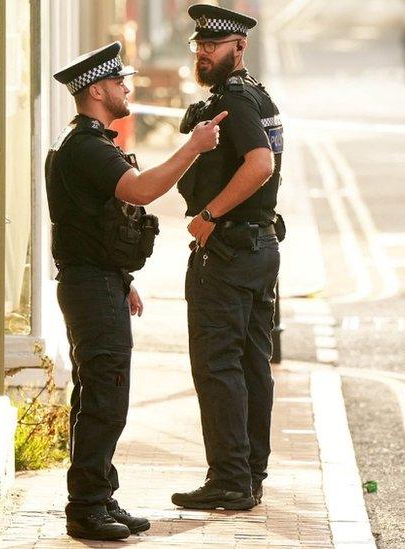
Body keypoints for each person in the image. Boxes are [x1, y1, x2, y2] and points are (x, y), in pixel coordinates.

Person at [47, 41, 226, 541]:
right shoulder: (86, 148)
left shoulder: (87, 143)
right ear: (99, 89)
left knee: (99, 395)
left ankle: (101, 496)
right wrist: (194, 145)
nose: (127, 88)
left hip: (99, 283)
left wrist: (123, 281)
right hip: (89, 287)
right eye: (119, 82)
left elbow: (94, 223)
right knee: (105, 398)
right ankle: (85, 507)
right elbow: (142, 191)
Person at [171, 4, 284, 511]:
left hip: (232, 250)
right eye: (199, 45)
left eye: (212, 46)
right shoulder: (256, 96)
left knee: (218, 365)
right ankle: (249, 473)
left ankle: (231, 479)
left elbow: (260, 164)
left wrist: (211, 215)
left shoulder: (235, 103)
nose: (203, 53)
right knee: (251, 363)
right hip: (257, 247)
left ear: (238, 47)